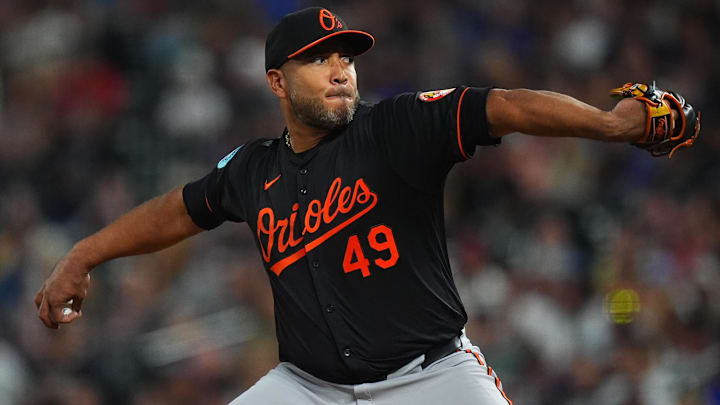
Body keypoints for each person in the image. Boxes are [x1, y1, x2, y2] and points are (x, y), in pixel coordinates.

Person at [35, 7, 700, 405]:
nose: (339, 68)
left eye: (344, 57)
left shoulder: (397, 130)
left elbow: (509, 105)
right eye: (316, 59)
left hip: (430, 378)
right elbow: (177, 210)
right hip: (311, 387)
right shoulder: (254, 170)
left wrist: (611, 125)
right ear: (276, 81)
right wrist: (84, 252)